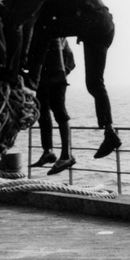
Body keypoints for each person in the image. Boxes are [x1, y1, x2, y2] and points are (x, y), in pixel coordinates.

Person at [28, 0, 121, 158]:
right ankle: (109, 132)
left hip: (92, 21)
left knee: (46, 29)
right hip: (104, 26)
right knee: (94, 84)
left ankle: (34, 75)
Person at [32, 38, 75, 175]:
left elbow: (71, 61)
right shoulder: (57, 37)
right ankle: (48, 151)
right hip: (44, 78)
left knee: (60, 112)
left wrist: (62, 72)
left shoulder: (59, 36)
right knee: (43, 114)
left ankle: (66, 155)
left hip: (55, 78)